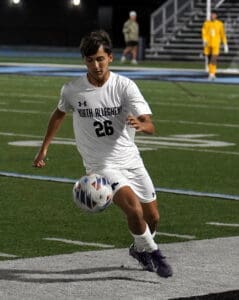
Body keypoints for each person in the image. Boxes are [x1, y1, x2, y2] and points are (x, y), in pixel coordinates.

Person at [33, 30, 172, 278]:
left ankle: (139, 250)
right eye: (90, 60)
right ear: (84, 61)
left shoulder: (124, 86)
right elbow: (58, 114)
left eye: (100, 59)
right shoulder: (73, 90)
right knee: (134, 211)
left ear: (110, 57)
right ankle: (156, 255)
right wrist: (44, 149)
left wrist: (143, 126)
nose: (96, 65)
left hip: (130, 159)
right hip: (100, 164)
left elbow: (149, 123)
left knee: (153, 217)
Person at [201, 10, 229, 80]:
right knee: (209, 59)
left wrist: (225, 44)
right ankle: (212, 73)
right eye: (211, 14)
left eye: (213, 14)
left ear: (216, 16)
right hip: (208, 44)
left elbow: (223, 35)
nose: (212, 16)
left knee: (213, 59)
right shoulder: (206, 23)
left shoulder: (220, 24)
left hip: (216, 44)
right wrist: (204, 40)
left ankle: (211, 74)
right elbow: (204, 32)